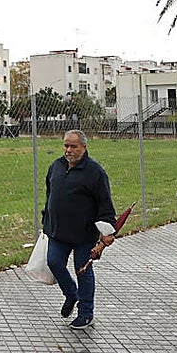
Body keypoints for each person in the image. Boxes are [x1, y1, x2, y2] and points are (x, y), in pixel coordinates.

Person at [43, 129, 117, 331]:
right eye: (66, 145)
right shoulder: (56, 166)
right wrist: (46, 219)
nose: (68, 150)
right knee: (54, 262)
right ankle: (71, 294)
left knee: (82, 271)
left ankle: (86, 313)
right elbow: (50, 195)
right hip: (57, 231)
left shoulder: (95, 172)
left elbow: (105, 205)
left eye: (73, 146)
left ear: (84, 147)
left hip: (84, 234)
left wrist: (108, 233)